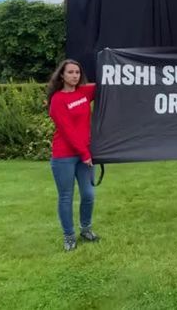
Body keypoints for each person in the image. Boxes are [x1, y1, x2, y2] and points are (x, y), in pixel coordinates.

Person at [46, 59, 100, 251]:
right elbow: (68, 131)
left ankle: (85, 229)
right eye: (70, 72)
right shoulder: (58, 100)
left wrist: (113, 60)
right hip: (64, 156)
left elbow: (105, 82)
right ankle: (69, 236)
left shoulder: (84, 93)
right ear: (62, 75)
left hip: (83, 154)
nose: (74, 76)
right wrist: (85, 153)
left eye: (77, 72)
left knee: (88, 194)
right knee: (66, 197)